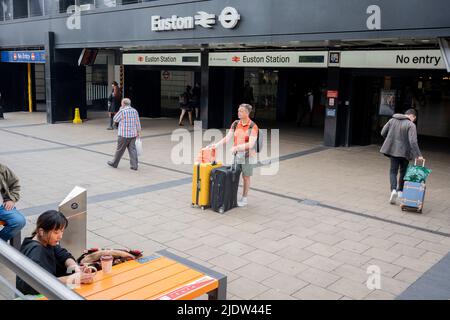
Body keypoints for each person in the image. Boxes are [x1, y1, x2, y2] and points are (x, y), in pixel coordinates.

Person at [16, 210, 95, 295]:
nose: (60, 236)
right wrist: (72, 278)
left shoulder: (45, 241)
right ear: (41, 231)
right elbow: (37, 283)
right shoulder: (35, 251)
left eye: (62, 231)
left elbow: (63, 255)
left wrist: (75, 269)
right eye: (56, 232)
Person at [210, 104, 259, 207]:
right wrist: (217, 145)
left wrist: (236, 147)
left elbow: (250, 144)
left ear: (247, 113)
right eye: (238, 110)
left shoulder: (253, 126)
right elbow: (228, 137)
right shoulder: (235, 123)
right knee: (234, 175)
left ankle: (244, 199)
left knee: (246, 177)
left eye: (241, 111)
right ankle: (232, 197)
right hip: (237, 155)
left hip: (247, 156)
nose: (238, 113)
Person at [380, 109, 424, 204]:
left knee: (393, 171)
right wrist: (418, 155)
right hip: (405, 153)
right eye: (414, 119)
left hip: (393, 151)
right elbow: (413, 141)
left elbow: (382, 132)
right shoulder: (411, 125)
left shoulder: (392, 120)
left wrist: (390, 140)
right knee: (403, 171)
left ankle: (393, 190)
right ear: (413, 116)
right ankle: (400, 191)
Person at [107, 98, 141, 171]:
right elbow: (137, 122)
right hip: (133, 134)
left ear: (123, 104)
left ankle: (114, 163)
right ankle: (134, 165)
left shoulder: (122, 111)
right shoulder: (134, 111)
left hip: (123, 135)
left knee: (119, 150)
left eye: (121, 103)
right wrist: (138, 132)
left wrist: (120, 110)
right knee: (133, 150)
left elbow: (115, 119)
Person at [0, 163, 26, 242]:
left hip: (2, 207)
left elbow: (15, 184)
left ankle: (1, 245)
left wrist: (11, 199)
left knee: (19, 221)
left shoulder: (2, 169)